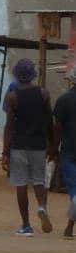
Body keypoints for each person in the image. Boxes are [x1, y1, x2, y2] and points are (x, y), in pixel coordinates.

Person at [3, 58, 54, 237]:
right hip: (39, 145)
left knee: (21, 183)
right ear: (33, 75)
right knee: (39, 181)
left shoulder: (12, 97)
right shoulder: (44, 94)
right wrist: (53, 146)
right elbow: (49, 121)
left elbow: (9, 127)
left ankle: (26, 226)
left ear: (17, 75)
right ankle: (42, 207)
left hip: (19, 145)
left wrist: (5, 152)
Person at [51, 67, 76, 239]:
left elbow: (57, 128)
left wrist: (53, 149)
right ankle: (69, 227)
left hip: (69, 151)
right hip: (68, 152)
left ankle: (69, 228)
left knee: (75, 192)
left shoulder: (63, 100)